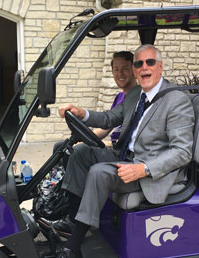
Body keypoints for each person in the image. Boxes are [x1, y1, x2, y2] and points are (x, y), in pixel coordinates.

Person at [43, 44, 195, 258]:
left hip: (148, 172)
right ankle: (75, 222)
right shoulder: (136, 95)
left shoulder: (176, 100)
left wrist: (142, 169)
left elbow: (183, 152)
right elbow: (109, 118)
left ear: (160, 66)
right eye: (139, 63)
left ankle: (72, 251)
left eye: (150, 63)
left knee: (99, 172)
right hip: (125, 158)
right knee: (81, 153)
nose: (143, 67)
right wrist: (82, 112)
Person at [39, 51, 137, 234]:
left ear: (134, 69)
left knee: (78, 153)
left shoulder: (138, 98)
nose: (120, 73)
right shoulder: (120, 97)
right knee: (63, 146)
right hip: (112, 147)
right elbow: (107, 125)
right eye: (116, 69)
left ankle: (73, 215)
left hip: (122, 153)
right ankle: (62, 202)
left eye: (125, 68)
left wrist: (97, 145)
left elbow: (126, 139)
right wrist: (85, 136)